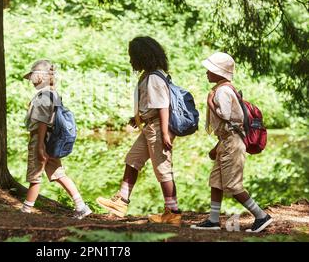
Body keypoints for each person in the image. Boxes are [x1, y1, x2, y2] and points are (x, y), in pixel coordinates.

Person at [96, 36, 182, 226]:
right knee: (132, 159)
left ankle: (173, 212)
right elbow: (152, 105)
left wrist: (166, 133)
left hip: (159, 127)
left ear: (142, 56)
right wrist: (139, 118)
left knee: (163, 168)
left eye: (132, 56)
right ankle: (122, 201)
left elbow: (163, 107)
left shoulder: (153, 77)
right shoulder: (151, 74)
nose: (130, 60)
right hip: (151, 126)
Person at [191, 52, 272, 232]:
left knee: (233, 185)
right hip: (226, 141)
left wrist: (210, 102)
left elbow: (226, 116)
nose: (206, 72)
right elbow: (228, 126)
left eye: (210, 69)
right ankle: (213, 220)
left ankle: (261, 216)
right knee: (216, 181)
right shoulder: (224, 89)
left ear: (219, 73)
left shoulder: (223, 91)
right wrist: (217, 147)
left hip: (232, 144)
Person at [21, 59, 92, 219]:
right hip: (51, 140)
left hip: (41, 140)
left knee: (35, 176)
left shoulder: (44, 95)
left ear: (40, 76)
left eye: (32, 76)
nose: (30, 80)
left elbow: (42, 122)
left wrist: (39, 146)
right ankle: (81, 206)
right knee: (58, 174)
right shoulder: (53, 93)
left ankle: (25, 211)